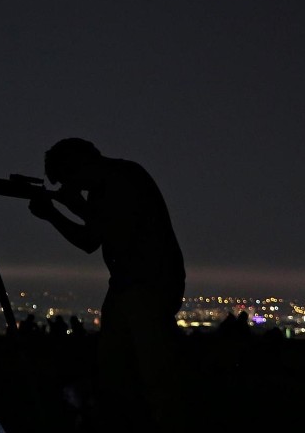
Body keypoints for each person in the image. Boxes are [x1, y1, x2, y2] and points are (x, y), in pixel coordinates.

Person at [28, 137, 188, 432]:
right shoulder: (108, 187)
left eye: (69, 178)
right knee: (118, 369)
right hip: (129, 285)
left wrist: (63, 211)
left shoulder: (123, 179)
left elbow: (108, 231)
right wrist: (62, 212)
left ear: (81, 165)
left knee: (153, 372)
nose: (72, 187)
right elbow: (93, 237)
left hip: (147, 284)